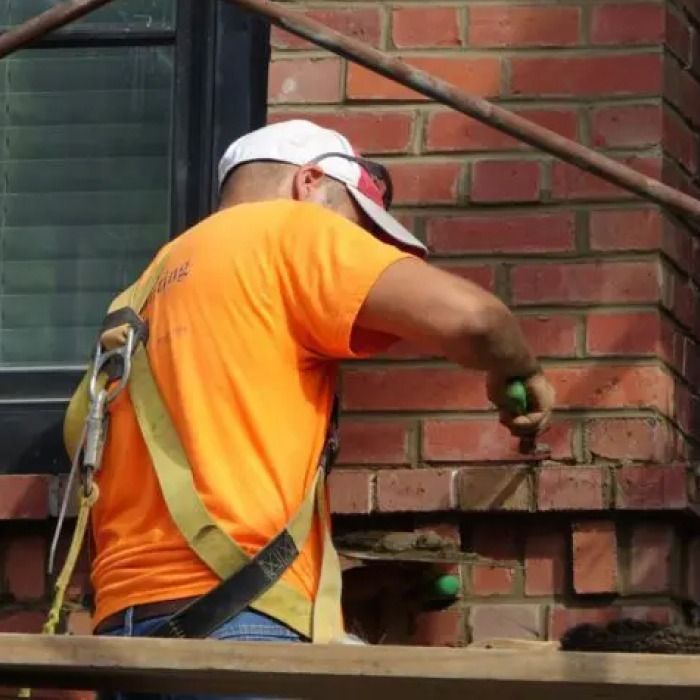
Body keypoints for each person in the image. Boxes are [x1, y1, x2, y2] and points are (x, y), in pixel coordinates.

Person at [84, 119, 554, 696]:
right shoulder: (288, 232)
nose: (359, 250)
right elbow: (475, 321)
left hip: (119, 639)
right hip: (236, 632)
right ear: (308, 183)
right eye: (354, 225)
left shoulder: (137, 295)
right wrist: (518, 369)